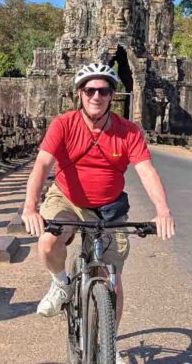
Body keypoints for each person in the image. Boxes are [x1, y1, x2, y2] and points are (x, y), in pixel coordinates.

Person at [23, 62, 175, 358]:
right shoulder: (64, 124)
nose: (96, 96)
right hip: (67, 200)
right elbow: (42, 164)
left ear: (112, 96)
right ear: (79, 94)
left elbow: (146, 171)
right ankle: (60, 284)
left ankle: (109, 344)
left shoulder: (127, 131)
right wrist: (30, 207)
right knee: (48, 241)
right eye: (89, 90)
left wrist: (163, 210)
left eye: (103, 90)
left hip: (109, 207)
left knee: (112, 280)